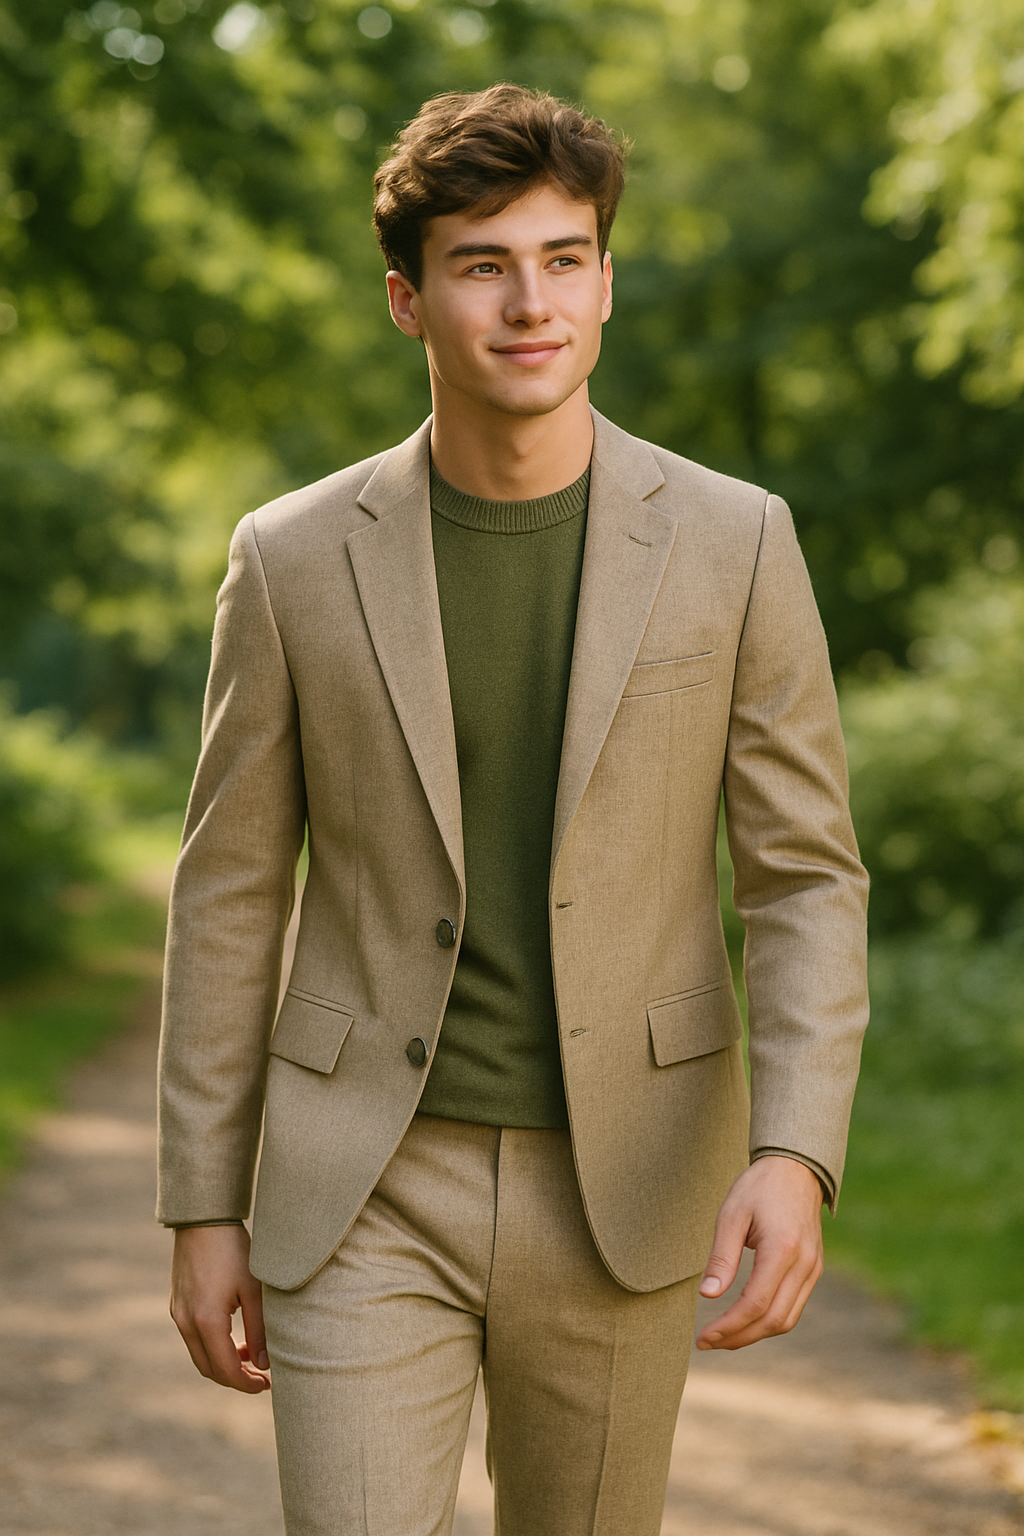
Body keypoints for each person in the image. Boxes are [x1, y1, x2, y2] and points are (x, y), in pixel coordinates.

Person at [158, 84, 869, 1536]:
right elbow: (229, 889)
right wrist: (203, 1204)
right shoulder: (289, 560)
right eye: (482, 264)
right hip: (364, 1181)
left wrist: (795, 1152)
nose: (530, 302)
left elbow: (803, 876)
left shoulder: (738, 542)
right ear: (408, 300)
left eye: (563, 258)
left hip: (628, 1180)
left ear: (606, 282)